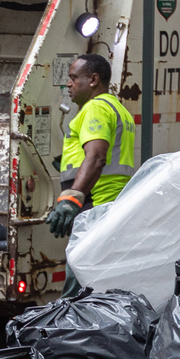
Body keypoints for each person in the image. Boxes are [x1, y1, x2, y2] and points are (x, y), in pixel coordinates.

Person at [49, 52, 139, 237]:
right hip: (112, 205)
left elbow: (97, 156)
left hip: (95, 206)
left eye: (73, 78)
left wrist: (72, 198)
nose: (68, 84)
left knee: (81, 264)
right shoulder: (118, 108)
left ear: (93, 80)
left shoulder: (95, 108)